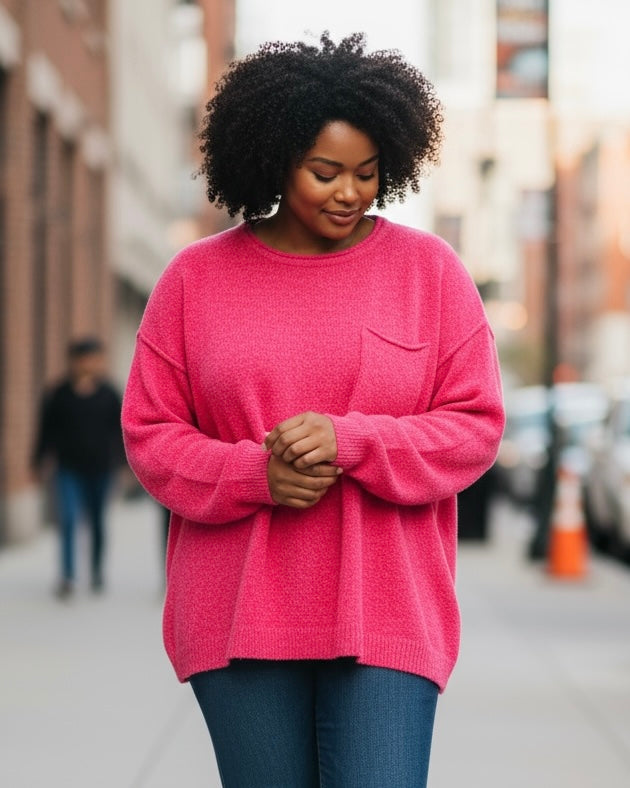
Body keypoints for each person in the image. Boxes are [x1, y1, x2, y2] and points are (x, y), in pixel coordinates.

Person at [121, 32, 505, 787]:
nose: (349, 192)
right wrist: (252, 474)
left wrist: (352, 440)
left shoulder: (430, 274)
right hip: (239, 618)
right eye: (325, 172)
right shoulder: (195, 280)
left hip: (388, 611)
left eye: (367, 173)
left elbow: (475, 426)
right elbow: (150, 434)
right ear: (272, 160)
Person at [33, 336, 123, 598]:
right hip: (67, 468)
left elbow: (120, 432)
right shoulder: (59, 393)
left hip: (101, 468)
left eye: (94, 359)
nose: (89, 364)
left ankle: (96, 571)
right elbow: (45, 430)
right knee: (69, 520)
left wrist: (126, 465)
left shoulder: (109, 394)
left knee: (96, 521)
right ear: (73, 361)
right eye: (84, 359)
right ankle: (68, 576)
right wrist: (38, 460)